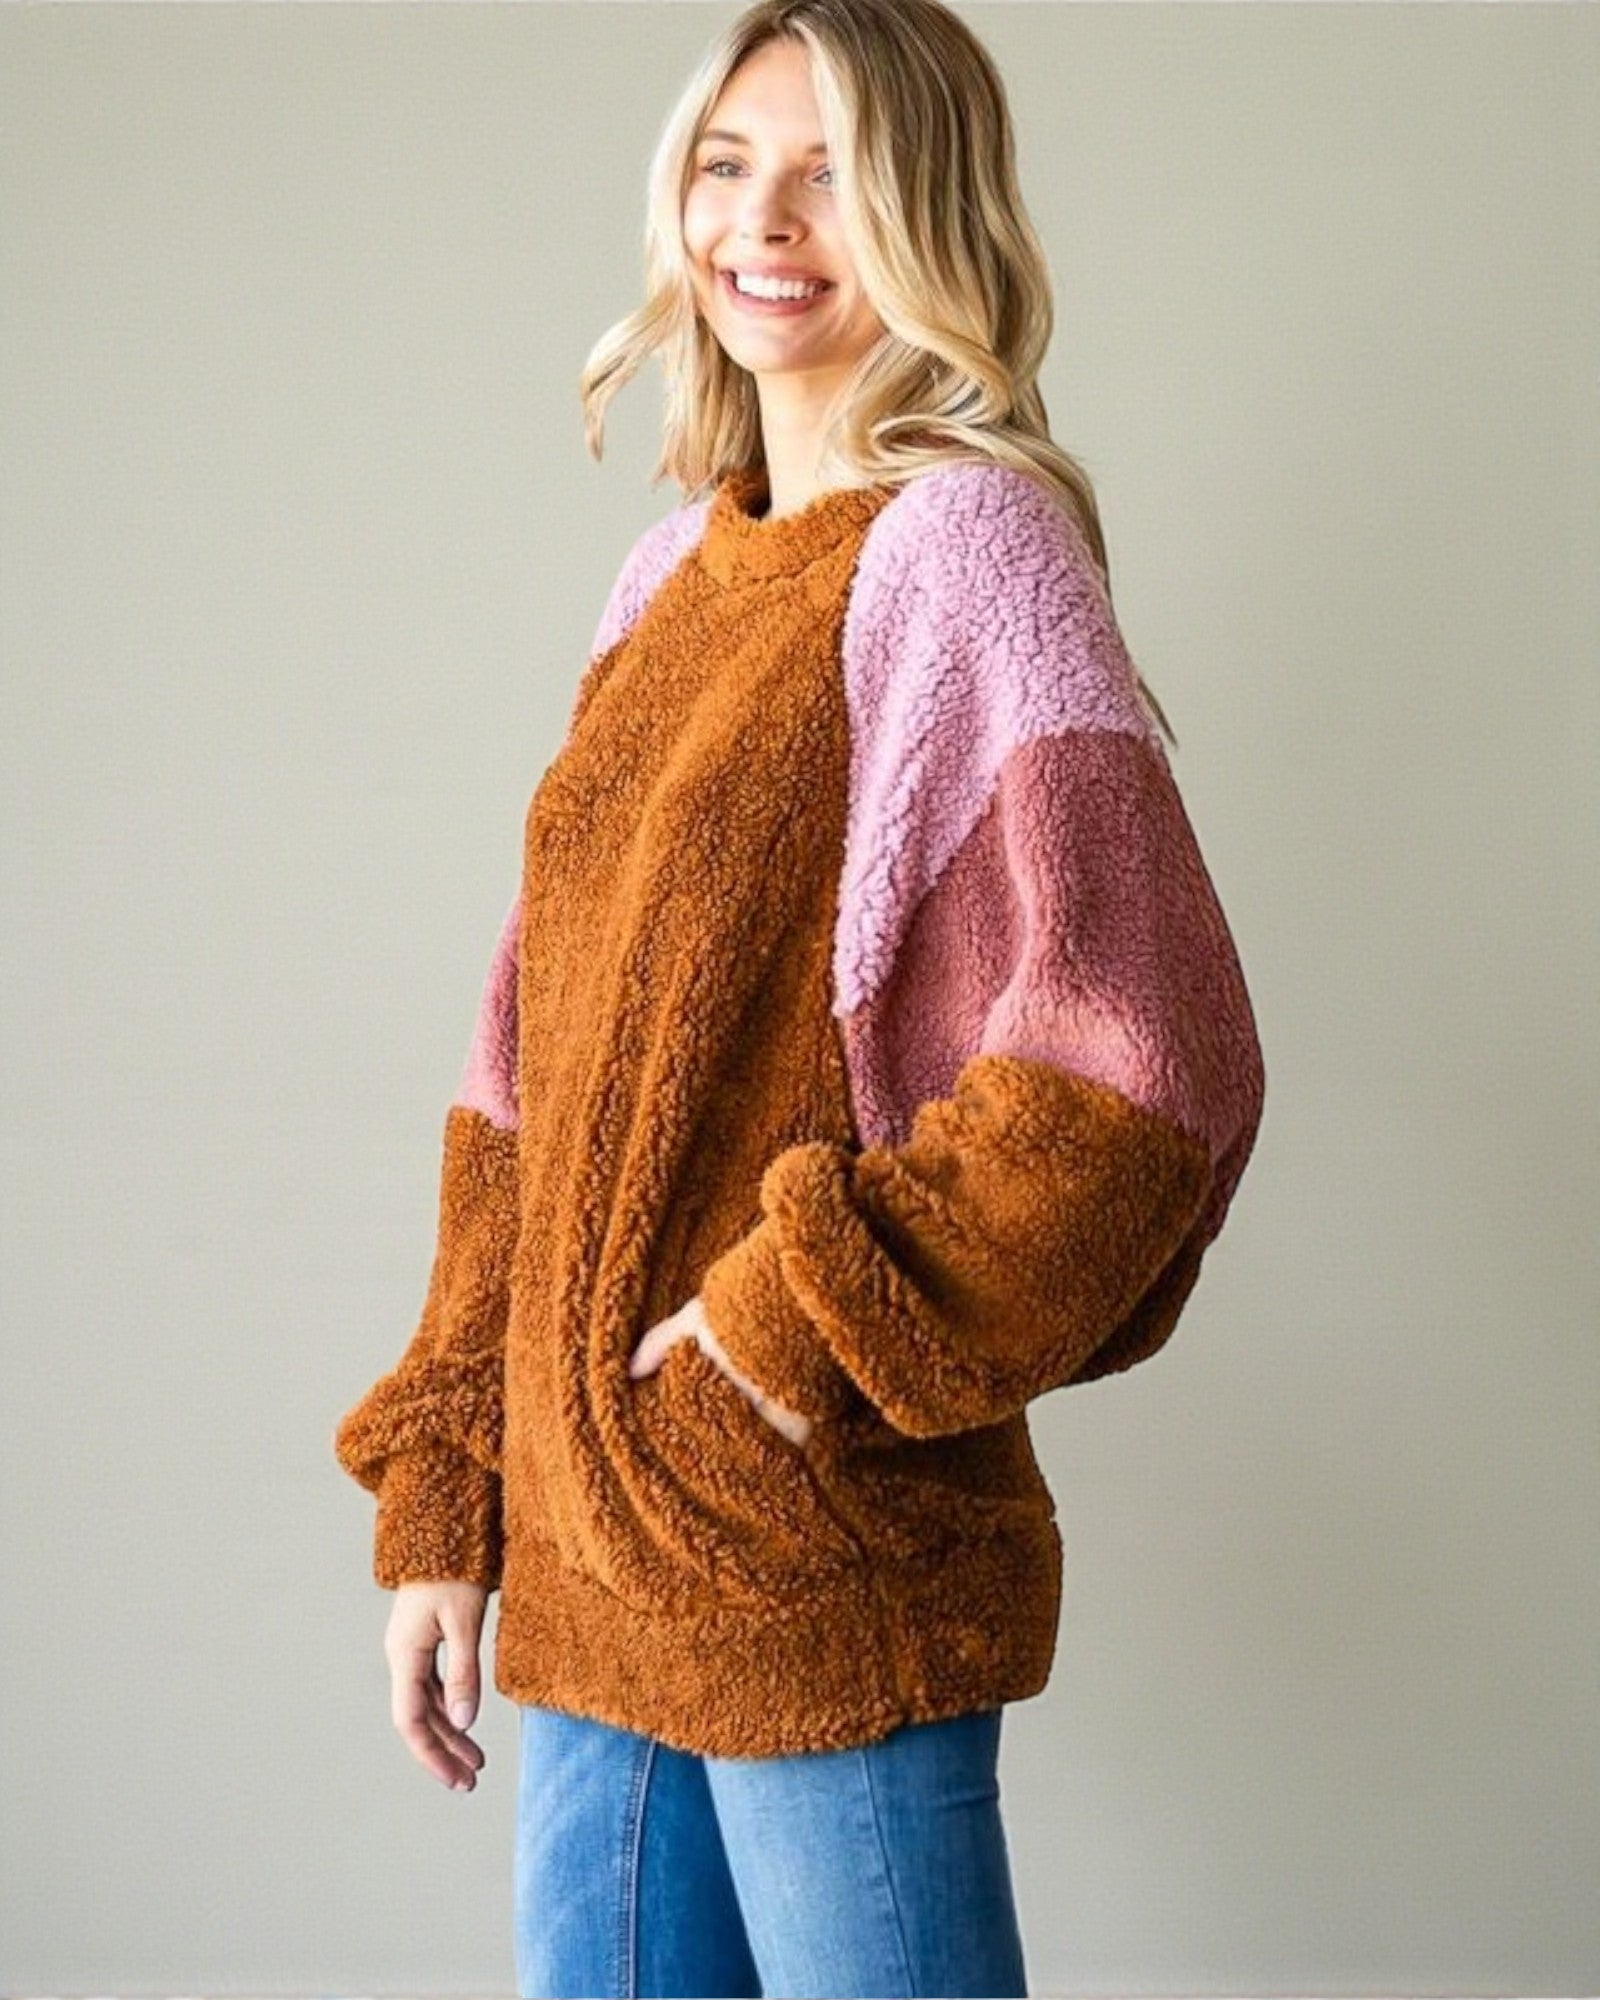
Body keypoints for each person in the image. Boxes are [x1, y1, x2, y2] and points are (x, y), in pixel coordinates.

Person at [333, 1, 1267, 1994]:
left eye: (829, 173)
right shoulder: (669, 578)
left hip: (806, 1532)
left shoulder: (969, 552)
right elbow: (523, 1084)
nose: (760, 221)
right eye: (726, 163)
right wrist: (449, 1491)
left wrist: (786, 1329)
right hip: (589, 1560)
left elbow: (1136, 1066)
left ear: (930, 215)